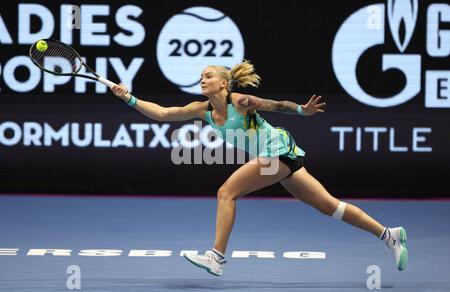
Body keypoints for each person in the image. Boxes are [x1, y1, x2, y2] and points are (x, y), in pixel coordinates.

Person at [110, 60, 408, 276]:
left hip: (277, 151)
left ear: (223, 83)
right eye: (201, 76)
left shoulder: (239, 101)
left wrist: (302, 111)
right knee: (331, 207)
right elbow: (163, 113)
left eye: (208, 76)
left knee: (226, 192)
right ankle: (389, 234)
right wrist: (130, 98)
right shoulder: (203, 110)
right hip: (285, 154)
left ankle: (216, 258)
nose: (202, 80)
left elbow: (274, 105)